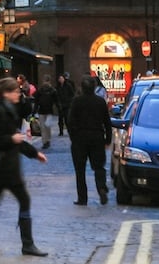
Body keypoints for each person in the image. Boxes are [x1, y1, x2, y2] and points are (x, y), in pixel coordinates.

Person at [0, 78, 48, 257]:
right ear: (6, 93)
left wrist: (34, 153)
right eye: (15, 91)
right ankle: (28, 245)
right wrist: (12, 139)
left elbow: (16, 138)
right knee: (23, 200)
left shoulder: (9, 110)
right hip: (3, 168)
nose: (18, 94)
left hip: (3, 168)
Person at [67, 75, 112, 205]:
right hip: (97, 137)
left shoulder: (76, 101)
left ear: (82, 87)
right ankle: (101, 188)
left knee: (80, 170)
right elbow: (107, 122)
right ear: (94, 87)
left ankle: (82, 198)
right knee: (99, 167)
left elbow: (70, 121)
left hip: (80, 138)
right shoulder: (100, 102)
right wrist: (108, 139)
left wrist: (73, 137)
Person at [33, 75, 57, 149]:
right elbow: (36, 101)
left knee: (46, 126)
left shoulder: (51, 90)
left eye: (46, 81)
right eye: (45, 81)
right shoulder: (43, 90)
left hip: (47, 111)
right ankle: (45, 141)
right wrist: (34, 111)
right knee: (44, 127)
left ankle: (47, 140)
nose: (45, 82)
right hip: (44, 111)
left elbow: (56, 100)